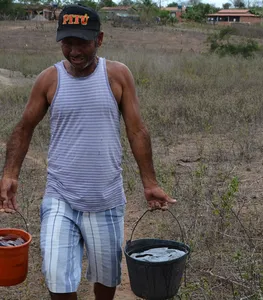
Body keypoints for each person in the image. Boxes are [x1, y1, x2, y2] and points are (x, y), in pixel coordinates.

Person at [0, 4, 176, 300]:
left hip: (106, 199)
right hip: (60, 197)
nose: (74, 51)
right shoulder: (49, 79)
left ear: (100, 39)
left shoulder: (117, 76)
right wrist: (9, 174)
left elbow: (137, 131)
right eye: (67, 42)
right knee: (58, 279)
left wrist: (150, 183)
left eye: (82, 42)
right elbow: (23, 128)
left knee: (106, 279)